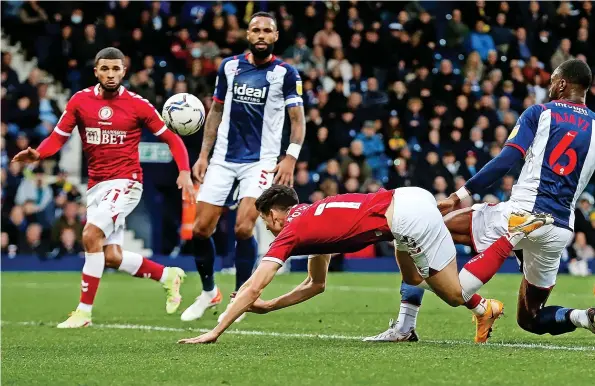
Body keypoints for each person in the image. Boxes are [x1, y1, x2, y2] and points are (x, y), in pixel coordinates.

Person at [178, 184, 552, 344]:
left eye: (265, 221)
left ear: (276, 213)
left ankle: (506, 245)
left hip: (405, 219)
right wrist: (271, 306)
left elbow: (253, 284)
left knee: (455, 293)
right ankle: (405, 329)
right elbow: (316, 284)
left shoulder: (290, 232)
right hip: (407, 199)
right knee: (405, 260)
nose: (269, 228)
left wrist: (217, 331)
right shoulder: (311, 216)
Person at [391, 59, 595, 341]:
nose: (549, 87)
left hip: (521, 215)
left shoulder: (540, 113)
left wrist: (459, 195)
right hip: (559, 230)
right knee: (531, 317)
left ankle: (405, 326)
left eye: (552, 81)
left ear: (562, 84)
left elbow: (507, 160)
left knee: (424, 231)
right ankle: (584, 317)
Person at [12, 47, 193, 328]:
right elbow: (58, 137)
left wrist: (184, 171)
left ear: (124, 71)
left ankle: (84, 312)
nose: (111, 74)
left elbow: (172, 139)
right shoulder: (80, 101)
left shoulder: (138, 104)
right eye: (105, 69)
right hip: (97, 186)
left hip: (127, 182)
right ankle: (167, 275)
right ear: (96, 71)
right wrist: (39, 154)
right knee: (110, 256)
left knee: (90, 233)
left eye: (116, 69)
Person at [180, 12, 305, 324]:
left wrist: (290, 156)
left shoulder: (286, 73)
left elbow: (298, 121)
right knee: (200, 230)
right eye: (256, 30)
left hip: (261, 162)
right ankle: (209, 291)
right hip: (223, 158)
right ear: (248, 35)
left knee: (243, 227)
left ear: (276, 37)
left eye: (267, 31)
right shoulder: (229, 66)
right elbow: (216, 111)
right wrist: (204, 154)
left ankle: (241, 298)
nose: (261, 35)